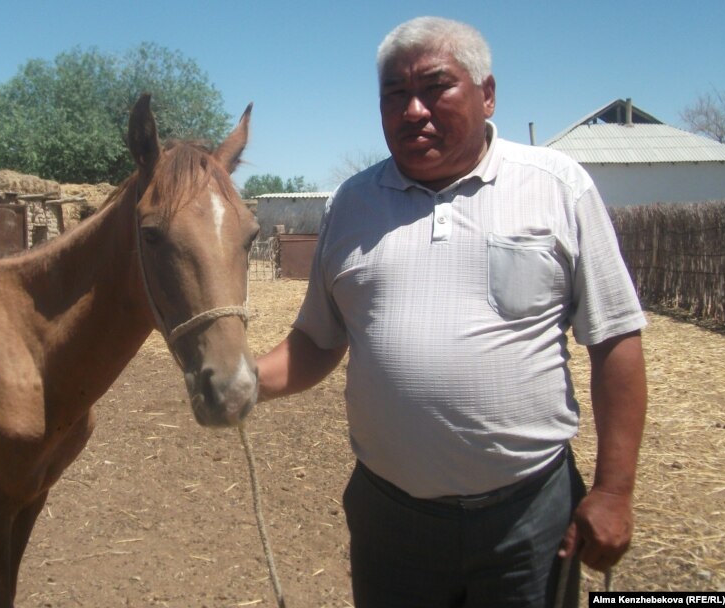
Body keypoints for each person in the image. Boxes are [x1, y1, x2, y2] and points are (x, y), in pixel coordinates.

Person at [256, 16, 648, 608]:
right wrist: (242, 381)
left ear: (487, 94)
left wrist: (615, 491)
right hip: (390, 519)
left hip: (529, 518)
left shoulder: (556, 187)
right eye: (394, 94)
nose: (413, 109)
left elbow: (615, 339)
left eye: (436, 86)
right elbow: (316, 341)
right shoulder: (352, 204)